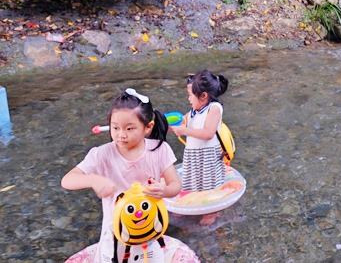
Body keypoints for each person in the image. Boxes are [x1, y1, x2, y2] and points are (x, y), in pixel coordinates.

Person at [62, 88, 182, 262]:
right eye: (115, 127)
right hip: (115, 234)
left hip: (149, 229)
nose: (121, 135)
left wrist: (163, 190)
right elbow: (67, 180)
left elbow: (175, 186)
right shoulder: (102, 154)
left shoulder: (159, 150)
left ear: (148, 127)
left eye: (129, 128)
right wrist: (93, 180)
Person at [171, 70, 228, 225]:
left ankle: (212, 211)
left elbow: (208, 133)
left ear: (203, 96)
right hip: (193, 155)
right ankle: (192, 202)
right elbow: (184, 120)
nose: (188, 99)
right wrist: (175, 124)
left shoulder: (214, 108)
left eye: (190, 95)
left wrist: (184, 131)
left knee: (209, 184)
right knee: (194, 181)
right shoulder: (195, 110)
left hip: (208, 156)